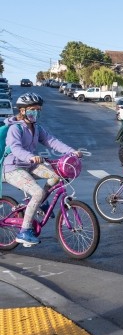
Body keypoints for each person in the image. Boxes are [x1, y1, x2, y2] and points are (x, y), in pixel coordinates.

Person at [3, 93, 82, 246]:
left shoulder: (36, 128)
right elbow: (16, 149)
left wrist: (72, 152)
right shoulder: (15, 129)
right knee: (38, 192)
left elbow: (51, 141)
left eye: (39, 109)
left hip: (29, 165)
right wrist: (31, 157)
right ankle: (24, 231)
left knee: (55, 175)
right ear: (23, 110)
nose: (36, 112)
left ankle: (41, 202)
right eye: (33, 109)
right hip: (13, 167)